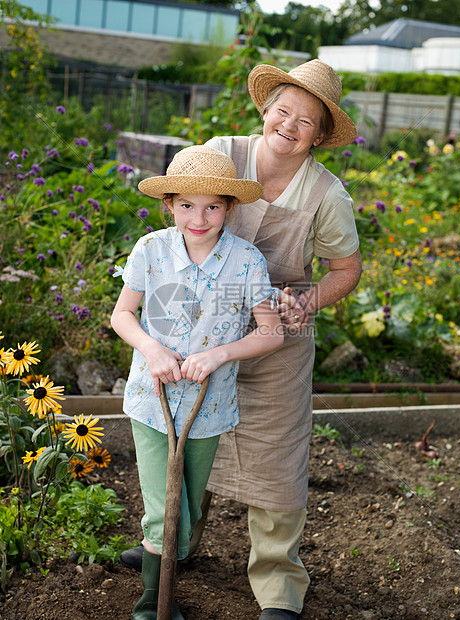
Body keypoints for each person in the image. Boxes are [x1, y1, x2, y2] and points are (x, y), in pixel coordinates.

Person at [120, 59, 363, 619]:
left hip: (273, 330)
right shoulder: (220, 153)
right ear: (266, 109)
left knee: (276, 460)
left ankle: (277, 585)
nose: (290, 125)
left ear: (321, 135)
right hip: (197, 325)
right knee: (186, 431)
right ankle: (171, 546)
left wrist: (305, 301)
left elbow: (345, 269)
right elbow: (180, 226)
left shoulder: (327, 194)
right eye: (283, 110)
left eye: (307, 121)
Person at [111, 144, 284, 619]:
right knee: (161, 510)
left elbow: (271, 332)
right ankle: (152, 605)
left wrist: (218, 355)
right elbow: (122, 314)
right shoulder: (152, 250)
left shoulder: (246, 262)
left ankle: (171, 556)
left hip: (207, 407)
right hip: (154, 398)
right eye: (186, 205)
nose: (199, 217)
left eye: (212, 206)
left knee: (185, 514)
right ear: (169, 204)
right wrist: (152, 349)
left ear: (230, 207)